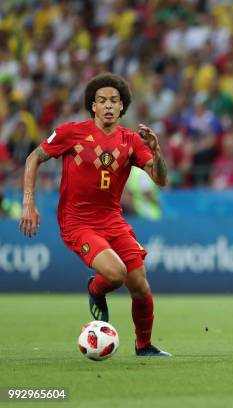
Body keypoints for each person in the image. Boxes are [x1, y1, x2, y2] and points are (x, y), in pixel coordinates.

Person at [19, 73, 171, 357]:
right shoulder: (71, 133)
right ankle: (96, 288)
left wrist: (157, 152)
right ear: (93, 106)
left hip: (112, 219)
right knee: (115, 274)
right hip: (77, 222)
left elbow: (160, 180)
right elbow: (33, 159)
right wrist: (28, 202)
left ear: (123, 106)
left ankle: (144, 346)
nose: (109, 105)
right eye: (102, 101)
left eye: (114, 100)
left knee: (140, 286)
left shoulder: (131, 141)